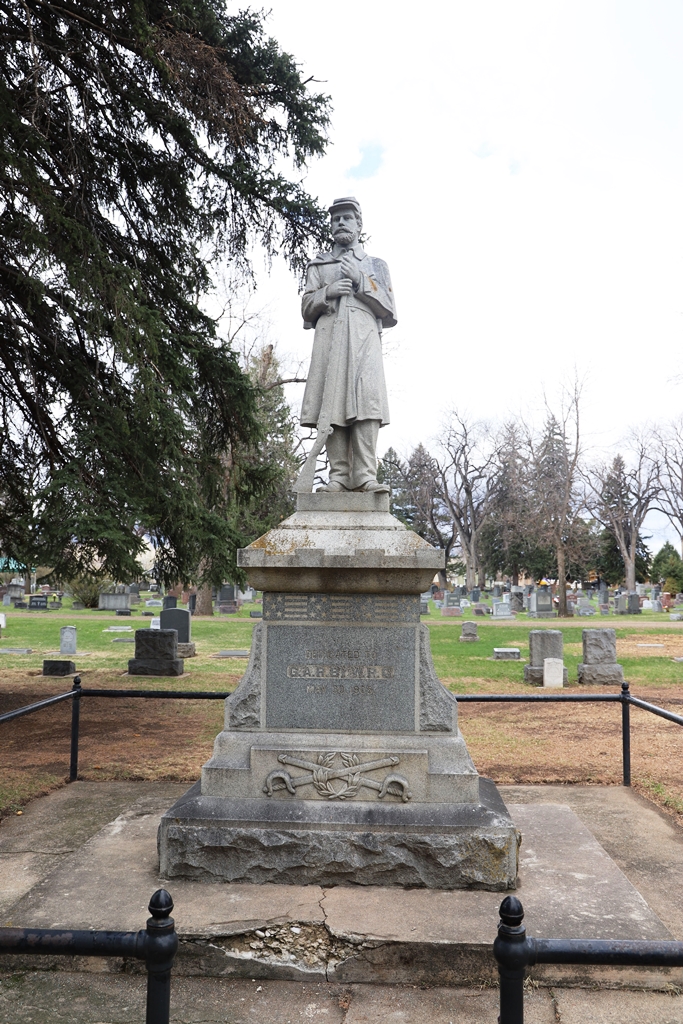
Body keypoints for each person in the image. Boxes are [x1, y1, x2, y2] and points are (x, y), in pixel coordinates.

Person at [300, 197, 396, 492]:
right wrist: (327, 292)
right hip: (329, 342)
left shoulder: (375, 265)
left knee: (367, 403)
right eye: (336, 218)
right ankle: (338, 476)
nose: (341, 222)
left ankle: (366, 475)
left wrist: (361, 281)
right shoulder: (319, 265)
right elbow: (305, 308)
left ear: (359, 224)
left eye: (347, 218)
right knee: (332, 403)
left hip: (365, 341)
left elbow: (390, 309)